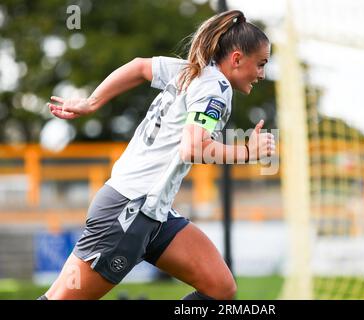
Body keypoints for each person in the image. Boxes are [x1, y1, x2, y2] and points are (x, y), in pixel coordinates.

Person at [39, 9, 275, 300]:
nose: (262, 73)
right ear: (237, 58)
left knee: (220, 289)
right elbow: (193, 147)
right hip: (129, 209)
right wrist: (248, 152)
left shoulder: (191, 70)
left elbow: (139, 67)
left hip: (154, 213)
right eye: (261, 64)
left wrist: (92, 101)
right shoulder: (216, 88)